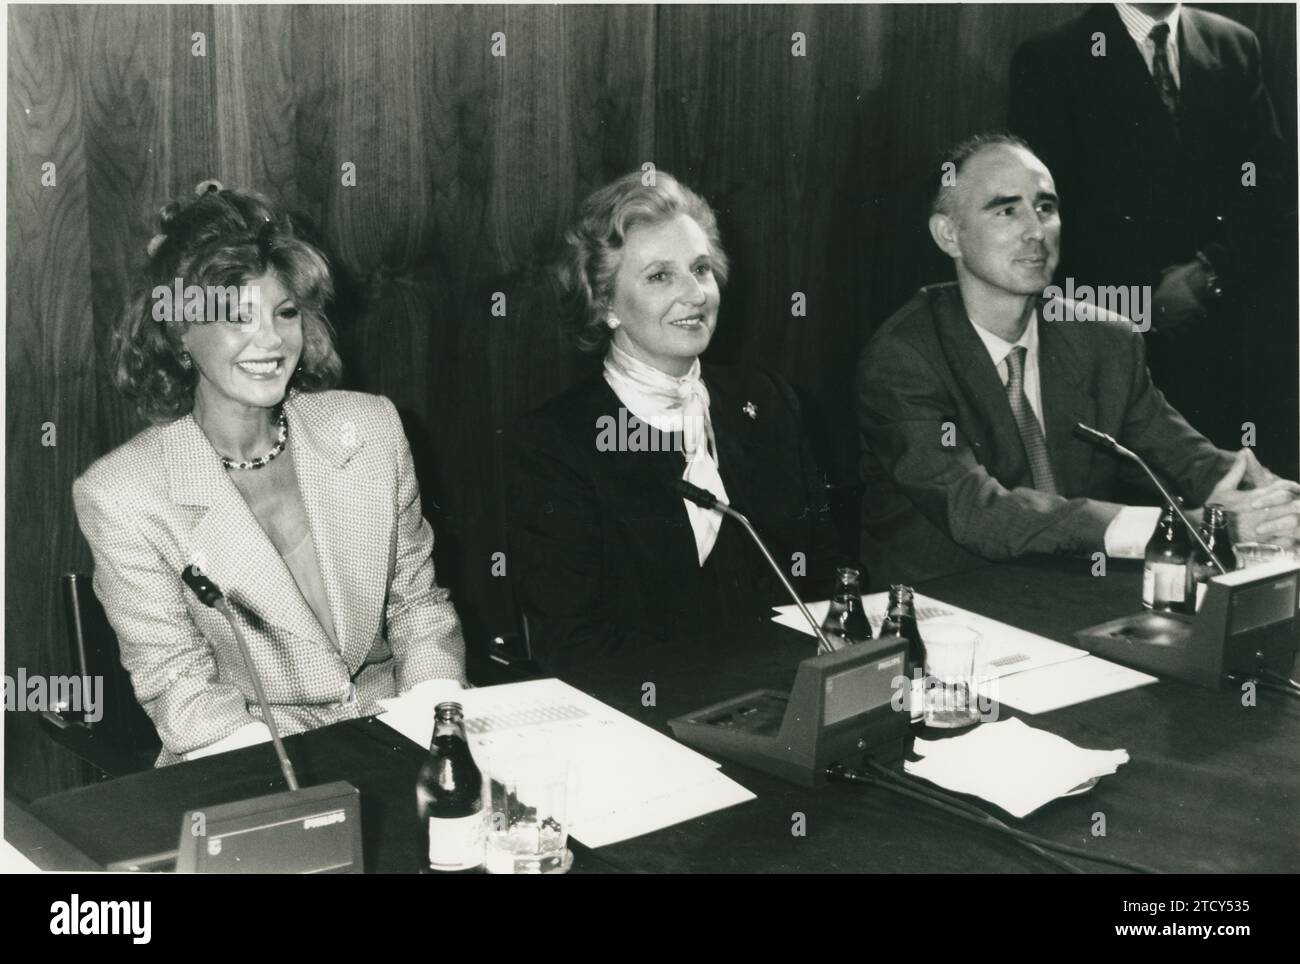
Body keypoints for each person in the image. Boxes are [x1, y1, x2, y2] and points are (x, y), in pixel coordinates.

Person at [73, 182, 466, 765]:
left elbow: (418, 607)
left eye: (284, 313)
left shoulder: (372, 427)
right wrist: (301, 785)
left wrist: (437, 731)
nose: (271, 341)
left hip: (398, 732)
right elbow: (181, 687)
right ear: (180, 333)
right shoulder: (121, 495)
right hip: (247, 760)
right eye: (237, 317)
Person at [856, 134, 1300, 585]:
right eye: (1007, 210)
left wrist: (1264, 500)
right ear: (948, 235)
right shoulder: (904, 358)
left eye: (1045, 208)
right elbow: (979, 512)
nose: (1036, 231)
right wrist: (1186, 528)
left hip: (1074, 596)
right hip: (946, 607)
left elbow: (1183, 459)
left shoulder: (1105, 340)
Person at [510, 171, 837, 675]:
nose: (696, 294)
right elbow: (571, 647)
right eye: (660, 276)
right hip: (647, 716)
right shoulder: (557, 444)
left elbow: (821, 580)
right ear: (604, 303)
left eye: (701, 269)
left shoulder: (768, 402)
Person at [1008, 3, 1294, 460]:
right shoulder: (1051, 58)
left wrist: (1207, 274)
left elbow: (1266, 186)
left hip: (1221, 330)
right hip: (1114, 335)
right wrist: (1147, 300)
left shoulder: (1234, 44)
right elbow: (1049, 210)